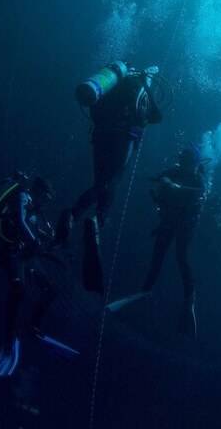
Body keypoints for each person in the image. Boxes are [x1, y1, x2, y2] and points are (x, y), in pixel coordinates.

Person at [56, 64, 163, 293]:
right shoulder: (141, 83)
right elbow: (156, 116)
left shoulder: (113, 82)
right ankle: (96, 220)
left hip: (100, 135)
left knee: (100, 182)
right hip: (123, 138)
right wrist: (148, 85)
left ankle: (72, 216)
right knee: (111, 182)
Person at [106, 147, 207, 337]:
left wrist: (177, 187)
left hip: (184, 225)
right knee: (157, 258)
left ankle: (189, 301)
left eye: (187, 161)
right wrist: (167, 182)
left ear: (194, 163)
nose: (184, 164)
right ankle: (145, 291)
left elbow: (201, 192)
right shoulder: (175, 171)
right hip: (169, 222)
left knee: (182, 258)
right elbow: (160, 177)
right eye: (182, 160)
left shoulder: (198, 180)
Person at [0, 173, 79, 379]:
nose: (48, 201)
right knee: (18, 291)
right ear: (39, 192)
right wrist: (33, 240)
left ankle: (32, 326)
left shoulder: (38, 212)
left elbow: (42, 236)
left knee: (51, 289)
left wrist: (60, 247)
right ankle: (8, 341)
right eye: (47, 196)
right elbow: (20, 221)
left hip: (26, 259)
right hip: (12, 253)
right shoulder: (23, 197)